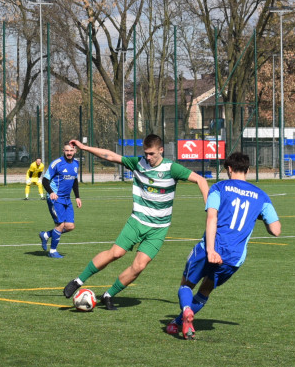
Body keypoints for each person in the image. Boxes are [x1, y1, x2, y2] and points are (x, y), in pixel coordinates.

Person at [63, 134, 208, 310]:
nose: (148, 157)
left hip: (158, 228)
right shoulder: (138, 163)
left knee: (139, 266)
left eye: (152, 153)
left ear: (161, 150)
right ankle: (78, 281)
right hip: (137, 220)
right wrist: (85, 148)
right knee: (116, 253)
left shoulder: (172, 168)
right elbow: (110, 155)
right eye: (146, 153)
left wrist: (209, 207)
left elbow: (201, 180)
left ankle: (109, 295)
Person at [166, 151, 280, 339]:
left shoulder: (219, 187)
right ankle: (177, 323)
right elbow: (276, 230)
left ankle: (185, 311)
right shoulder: (261, 197)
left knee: (186, 285)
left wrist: (210, 250)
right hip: (233, 258)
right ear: (248, 170)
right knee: (205, 290)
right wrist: (259, 216)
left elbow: (212, 218)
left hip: (209, 250)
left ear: (228, 169)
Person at [38, 143, 81, 259]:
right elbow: (45, 180)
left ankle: (46, 235)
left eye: (71, 151)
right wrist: (51, 192)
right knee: (60, 224)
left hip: (67, 199)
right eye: (67, 150)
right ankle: (52, 251)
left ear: (75, 151)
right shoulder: (57, 163)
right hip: (55, 198)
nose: (69, 153)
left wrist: (77, 197)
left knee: (70, 226)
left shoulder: (76, 163)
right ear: (63, 150)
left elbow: (74, 181)